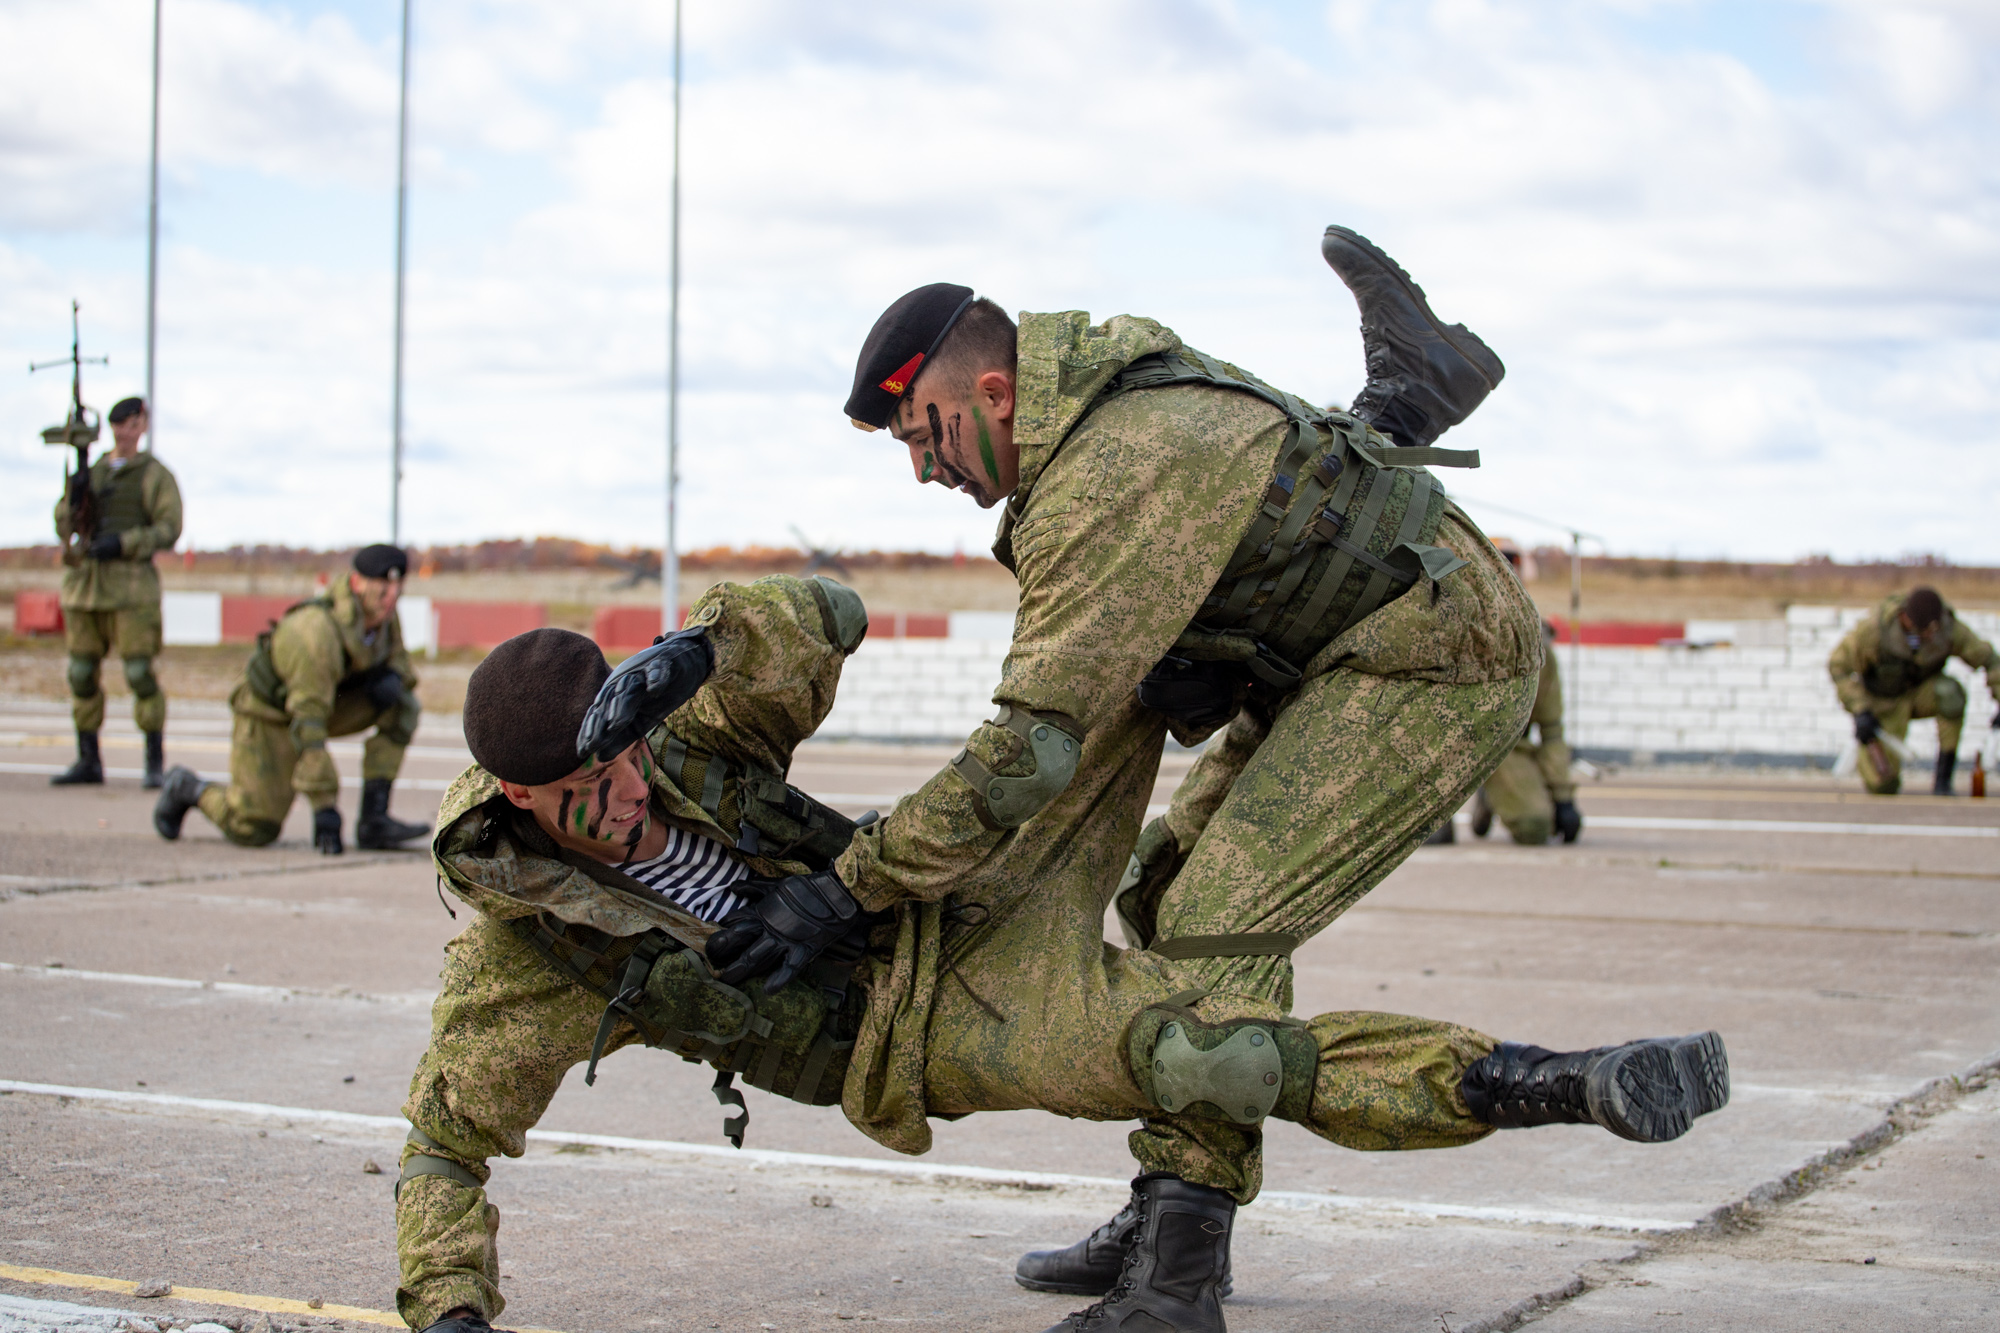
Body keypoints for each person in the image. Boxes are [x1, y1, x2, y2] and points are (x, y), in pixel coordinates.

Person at [392, 585, 1729, 1333]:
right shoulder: (529, 952)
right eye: (583, 796)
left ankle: (1324, 534)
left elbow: (831, 615)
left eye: (620, 759)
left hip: (937, 887)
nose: (622, 796)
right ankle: (1556, 1081)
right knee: (1211, 1050)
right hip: (921, 1027)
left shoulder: (678, 741)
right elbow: (446, 1144)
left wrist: (693, 649)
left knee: (1113, 689)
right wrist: (451, 1315)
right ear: (514, 806)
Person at [151, 543, 430, 852]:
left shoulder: (384, 621)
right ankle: (186, 787)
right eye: (382, 588)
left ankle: (374, 820)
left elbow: (403, 669)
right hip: (269, 714)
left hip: (322, 704)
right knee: (254, 827)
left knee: (403, 704)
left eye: (397, 587)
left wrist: (388, 681)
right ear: (356, 583)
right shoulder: (315, 633)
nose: (391, 597)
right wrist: (324, 806)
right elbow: (308, 725)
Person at [50, 395, 182, 788]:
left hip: (131, 590)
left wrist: (124, 543)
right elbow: (64, 525)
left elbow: (169, 528)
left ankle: (153, 763)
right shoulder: (95, 472)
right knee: (81, 673)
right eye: (119, 424)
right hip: (86, 589)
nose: (125, 431)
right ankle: (88, 759)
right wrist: (74, 498)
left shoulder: (154, 475)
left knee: (140, 674)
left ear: (142, 425)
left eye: (132, 423)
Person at [1827, 586, 1999, 795]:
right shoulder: (1875, 630)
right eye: (1924, 629)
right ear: (1904, 617)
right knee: (1882, 787)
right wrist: (1860, 710)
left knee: (1950, 693)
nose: (1930, 634)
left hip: (1922, 695)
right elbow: (1838, 665)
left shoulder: (1947, 627)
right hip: (1883, 704)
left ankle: (1943, 779)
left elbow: (1989, 660)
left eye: (1933, 629)